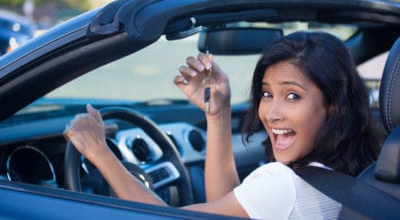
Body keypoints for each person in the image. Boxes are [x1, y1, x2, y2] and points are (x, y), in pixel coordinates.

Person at [64, 31, 381, 219]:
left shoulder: (283, 183)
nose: (271, 113)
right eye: (268, 93)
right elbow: (230, 206)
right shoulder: (361, 171)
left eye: (293, 96)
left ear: (333, 106)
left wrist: (98, 151)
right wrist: (217, 114)